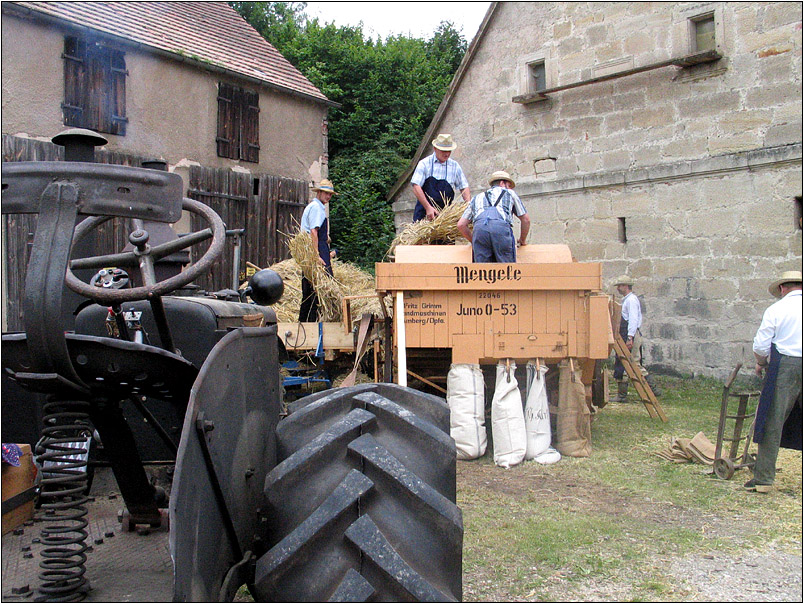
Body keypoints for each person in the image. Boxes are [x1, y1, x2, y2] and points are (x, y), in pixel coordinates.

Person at [746, 270, 802, 493]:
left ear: (782, 288)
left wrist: (761, 363)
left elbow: (761, 345)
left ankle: (764, 480)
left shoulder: (776, 309)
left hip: (786, 366)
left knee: (773, 420)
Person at [457, 170, 530, 262]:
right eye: (509, 185)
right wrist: (522, 240)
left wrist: (474, 241)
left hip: (479, 231)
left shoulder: (477, 197)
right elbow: (526, 220)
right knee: (506, 270)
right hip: (500, 229)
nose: (510, 188)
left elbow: (461, 225)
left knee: (482, 272)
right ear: (502, 183)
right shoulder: (509, 193)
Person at [610, 275, 661, 401]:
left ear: (626, 286)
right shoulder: (627, 300)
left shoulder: (631, 300)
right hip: (625, 334)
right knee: (622, 362)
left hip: (629, 334)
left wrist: (629, 337)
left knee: (634, 363)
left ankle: (653, 390)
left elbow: (633, 320)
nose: (618, 289)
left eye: (620, 286)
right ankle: (622, 395)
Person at [298, 179, 336, 322]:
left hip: (315, 249)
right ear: (319, 192)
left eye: (330, 195)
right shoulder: (317, 208)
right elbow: (313, 232)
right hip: (317, 251)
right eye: (326, 193)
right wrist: (316, 255)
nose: (328, 197)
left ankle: (305, 323)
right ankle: (313, 325)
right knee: (317, 292)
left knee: (310, 292)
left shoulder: (314, 206)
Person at [411, 133, 471, 222]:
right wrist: (428, 207)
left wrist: (469, 206)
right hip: (424, 214)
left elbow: (464, 186)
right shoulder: (424, 164)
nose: (447, 154)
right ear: (435, 149)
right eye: (443, 151)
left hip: (445, 216)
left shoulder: (455, 166)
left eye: (449, 151)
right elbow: (416, 186)